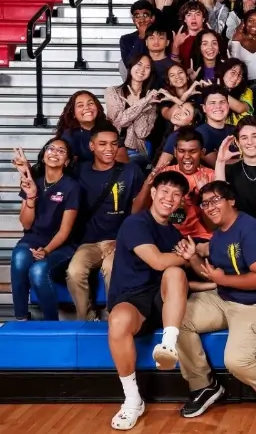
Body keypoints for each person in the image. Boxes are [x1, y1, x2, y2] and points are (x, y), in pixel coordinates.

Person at [174, 181, 256, 421]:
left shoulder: (252, 231)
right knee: (176, 318)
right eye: (205, 203)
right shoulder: (219, 235)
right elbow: (211, 275)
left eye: (215, 200)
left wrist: (224, 279)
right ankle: (204, 386)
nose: (209, 206)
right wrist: (192, 258)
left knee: (236, 360)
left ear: (231, 201)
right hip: (225, 299)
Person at [106, 171, 193, 430]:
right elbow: (156, 261)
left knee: (176, 272)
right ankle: (133, 399)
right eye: (165, 191)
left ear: (180, 202)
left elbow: (180, 275)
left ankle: (168, 345)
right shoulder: (136, 223)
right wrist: (190, 255)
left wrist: (213, 279)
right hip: (132, 299)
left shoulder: (174, 234)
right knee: (119, 320)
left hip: (164, 301)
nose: (170, 198)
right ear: (153, 193)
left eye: (176, 194)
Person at [66, 122, 145, 321]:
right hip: (89, 241)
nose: (109, 149)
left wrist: (122, 240)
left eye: (113, 144)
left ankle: (115, 318)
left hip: (120, 240)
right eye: (102, 144)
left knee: (113, 268)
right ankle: (87, 319)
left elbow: (139, 213)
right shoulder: (79, 172)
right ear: (92, 146)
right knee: (74, 271)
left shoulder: (131, 171)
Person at [10, 140, 78, 321]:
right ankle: (21, 318)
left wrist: (47, 250)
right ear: (44, 154)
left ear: (67, 161)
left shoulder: (72, 186)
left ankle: (51, 322)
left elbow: (64, 231)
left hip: (62, 245)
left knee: (38, 271)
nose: (54, 152)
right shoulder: (32, 181)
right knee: (19, 257)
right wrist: (31, 196)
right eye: (51, 148)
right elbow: (26, 224)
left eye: (61, 151)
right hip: (33, 239)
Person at [135, 129, 214, 243]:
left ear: (202, 152)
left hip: (200, 238)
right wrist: (147, 184)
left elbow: (214, 226)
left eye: (193, 151)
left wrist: (203, 194)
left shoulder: (211, 176)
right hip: (165, 236)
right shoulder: (164, 173)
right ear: (175, 152)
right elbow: (137, 212)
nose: (187, 156)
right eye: (182, 151)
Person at [105, 52, 159, 167]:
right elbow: (118, 123)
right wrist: (141, 103)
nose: (142, 69)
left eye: (147, 67)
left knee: (131, 166)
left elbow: (141, 133)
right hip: (113, 148)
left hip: (137, 151)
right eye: (139, 64)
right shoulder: (112, 92)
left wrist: (140, 103)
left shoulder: (152, 100)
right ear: (131, 67)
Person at [56, 90, 128, 165]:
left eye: (90, 103)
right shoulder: (70, 135)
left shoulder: (108, 127)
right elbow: (68, 166)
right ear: (74, 113)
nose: (87, 107)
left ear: (97, 108)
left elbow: (122, 158)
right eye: (80, 105)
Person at [197, 88, 234, 165]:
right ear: (204, 108)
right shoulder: (200, 134)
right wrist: (250, 160)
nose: (218, 106)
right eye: (212, 103)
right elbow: (219, 164)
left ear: (228, 105)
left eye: (222, 102)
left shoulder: (236, 129)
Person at [120, 0, 155, 68]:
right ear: (133, 20)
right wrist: (141, 37)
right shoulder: (126, 39)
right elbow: (130, 65)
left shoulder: (159, 37)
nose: (141, 20)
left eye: (145, 15)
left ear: (152, 18)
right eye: (137, 16)